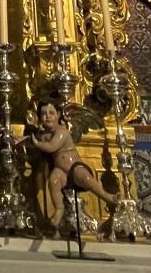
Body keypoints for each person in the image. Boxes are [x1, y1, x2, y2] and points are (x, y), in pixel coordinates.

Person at [23, 97, 118, 232]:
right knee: (54, 181)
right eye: (44, 114)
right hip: (60, 169)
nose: (48, 117)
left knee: (87, 180)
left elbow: (51, 147)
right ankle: (59, 209)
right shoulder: (44, 134)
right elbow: (34, 141)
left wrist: (37, 143)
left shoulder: (61, 132)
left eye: (51, 113)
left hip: (74, 166)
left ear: (59, 115)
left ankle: (107, 197)